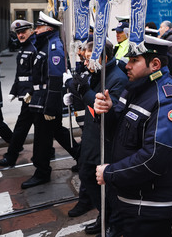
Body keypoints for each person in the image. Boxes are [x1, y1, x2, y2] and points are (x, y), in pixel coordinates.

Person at [94, 35, 172, 236]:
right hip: (131, 197)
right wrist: (106, 112)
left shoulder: (169, 100)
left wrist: (111, 173)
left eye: (134, 60)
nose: (126, 66)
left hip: (150, 205)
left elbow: (154, 158)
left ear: (155, 64)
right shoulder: (134, 89)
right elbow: (118, 134)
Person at [64, 40, 128, 235]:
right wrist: (73, 91)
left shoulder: (117, 78)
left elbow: (108, 109)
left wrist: (84, 91)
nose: (86, 63)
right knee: (85, 174)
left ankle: (113, 222)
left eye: (89, 58)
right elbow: (83, 90)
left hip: (106, 139)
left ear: (103, 58)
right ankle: (103, 213)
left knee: (107, 185)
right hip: (92, 135)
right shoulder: (96, 72)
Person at [21, 12, 80, 189]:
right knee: (58, 132)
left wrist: (50, 108)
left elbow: (55, 79)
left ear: (48, 28)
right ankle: (82, 156)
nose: (35, 31)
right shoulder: (45, 44)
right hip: (41, 98)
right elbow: (40, 75)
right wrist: (32, 91)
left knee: (42, 137)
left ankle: (42, 171)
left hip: (47, 101)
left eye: (38, 27)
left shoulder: (54, 47)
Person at [0, 20, 38, 167]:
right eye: (18, 33)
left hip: (33, 96)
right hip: (25, 95)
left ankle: (11, 157)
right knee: (45, 128)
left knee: (22, 127)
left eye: (23, 32)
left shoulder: (34, 48)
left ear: (30, 31)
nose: (20, 35)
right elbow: (20, 74)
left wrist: (31, 92)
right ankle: (51, 152)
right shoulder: (24, 48)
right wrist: (14, 91)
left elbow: (38, 74)